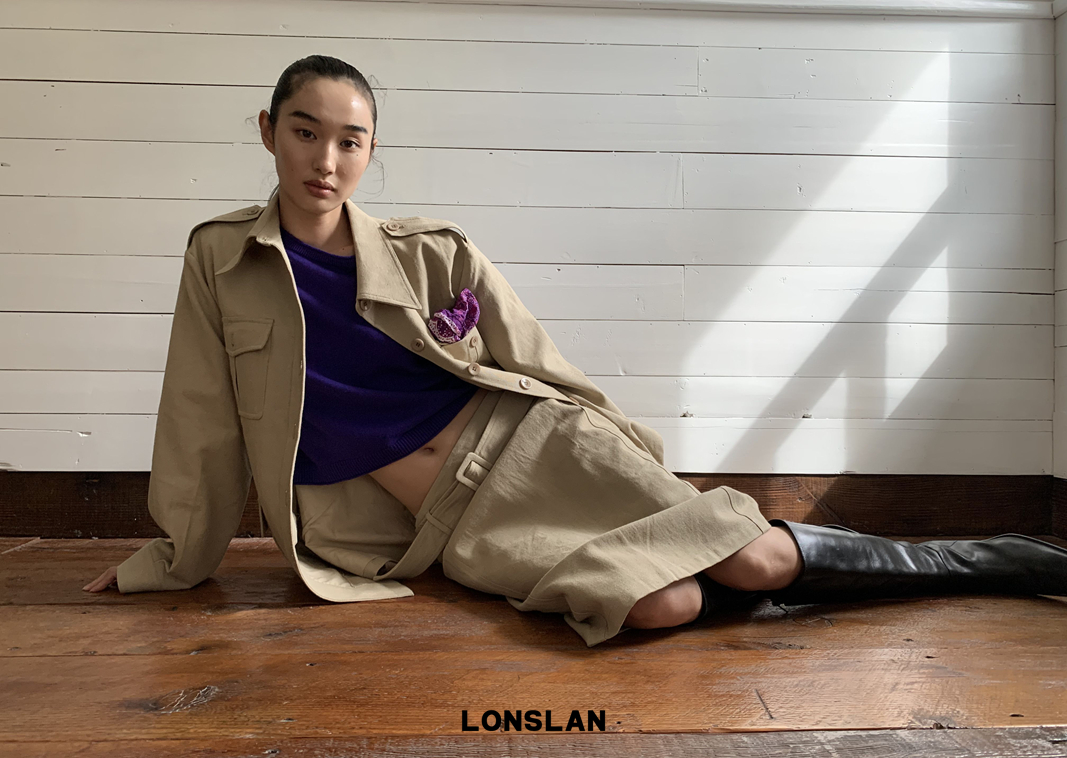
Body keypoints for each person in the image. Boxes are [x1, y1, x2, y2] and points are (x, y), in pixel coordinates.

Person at [83, 55, 1067, 647]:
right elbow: (199, 417)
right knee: (657, 608)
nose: (326, 160)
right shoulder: (220, 258)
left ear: (370, 150)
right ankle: (750, 579)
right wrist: (172, 557)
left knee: (761, 558)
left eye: (350, 140)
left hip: (531, 445)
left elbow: (536, 361)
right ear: (268, 132)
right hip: (445, 526)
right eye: (306, 133)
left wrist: (629, 452)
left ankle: (994, 564)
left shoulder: (431, 251)